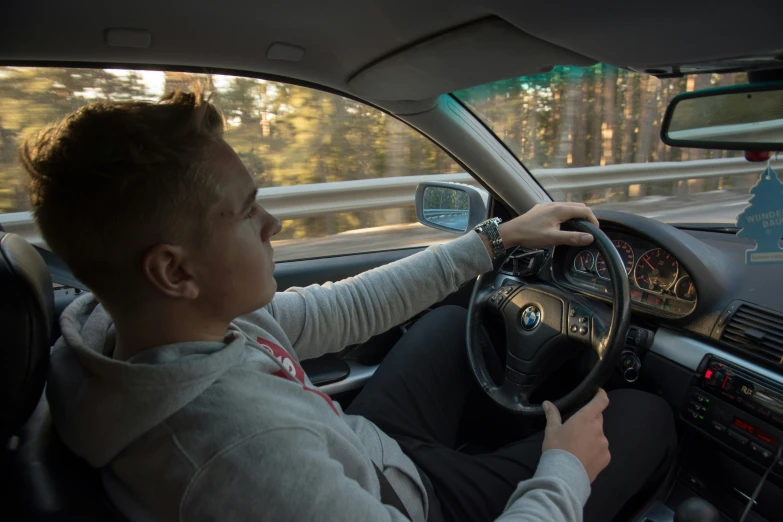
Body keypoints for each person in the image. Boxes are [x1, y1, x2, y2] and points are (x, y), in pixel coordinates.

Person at [20, 91, 676, 522]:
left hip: (361, 455)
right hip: (397, 501)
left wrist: (494, 238)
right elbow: (269, 451)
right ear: (173, 269)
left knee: (450, 324)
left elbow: (341, 309)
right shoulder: (239, 458)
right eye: (249, 212)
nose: (273, 224)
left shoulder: (119, 327)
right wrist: (563, 470)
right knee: (638, 417)